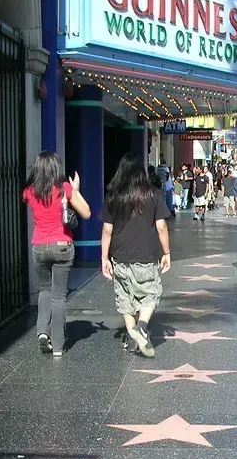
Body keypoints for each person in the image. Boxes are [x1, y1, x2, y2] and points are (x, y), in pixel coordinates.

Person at [101, 154, 171, 358]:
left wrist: (104, 257)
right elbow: (161, 226)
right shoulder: (153, 194)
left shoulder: (113, 196)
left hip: (120, 254)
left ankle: (133, 338)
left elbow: (107, 230)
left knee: (125, 298)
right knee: (150, 294)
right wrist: (166, 252)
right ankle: (141, 327)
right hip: (146, 255)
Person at [23, 151, 91, 358]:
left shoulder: (29, 191)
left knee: (44, 290)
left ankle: (42, 332)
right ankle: (59, 345)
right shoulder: (64, 188)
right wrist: (75, 190)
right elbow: (86, 212)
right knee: (59, 296)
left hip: (38, 246)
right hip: (61, 245)